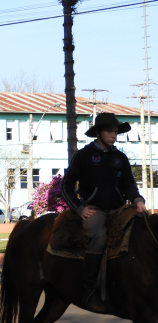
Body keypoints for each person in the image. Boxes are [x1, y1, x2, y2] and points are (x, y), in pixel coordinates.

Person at [61, 113, 146, 312]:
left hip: (119, 209)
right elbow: (67, 185)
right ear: (98, 133)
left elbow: (129, 185)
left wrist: (138, 200)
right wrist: (80, 208)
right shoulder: (83, 155)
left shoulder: (120, 157)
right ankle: (89, 289)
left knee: (140, 231)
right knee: (99, 236)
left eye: (116, 132)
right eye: (110, 131)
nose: (114, 135)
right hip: (95, 210)